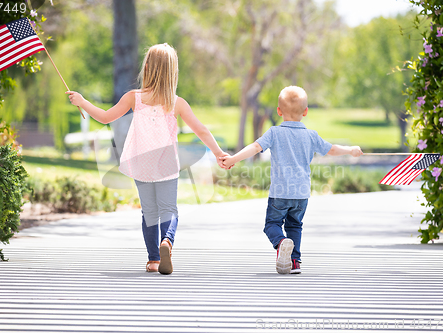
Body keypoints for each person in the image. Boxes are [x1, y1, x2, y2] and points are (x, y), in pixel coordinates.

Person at [66, 43, 228, 275]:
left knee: (149, 211)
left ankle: (153, 260)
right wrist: (218, 152)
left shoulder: (134, 98)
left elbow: (104, 117)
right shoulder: (176, 103)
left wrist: (82, 101)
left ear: (148, 68)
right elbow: (201, 130)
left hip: (141, 162)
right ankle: (167, 242)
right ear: (173, 71)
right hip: (166, 164)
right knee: (169, 209)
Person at [221, 86, 362, 274]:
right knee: (295, 225)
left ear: (279, 111)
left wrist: (232, 159)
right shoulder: (311, 135)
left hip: (280, 192)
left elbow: (255, 147)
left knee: (271, 225)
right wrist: (350, 150)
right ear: (306, 111)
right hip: (301, 194)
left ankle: (280, 243)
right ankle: (294, 262)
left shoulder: (274, 132)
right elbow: (332, 150)